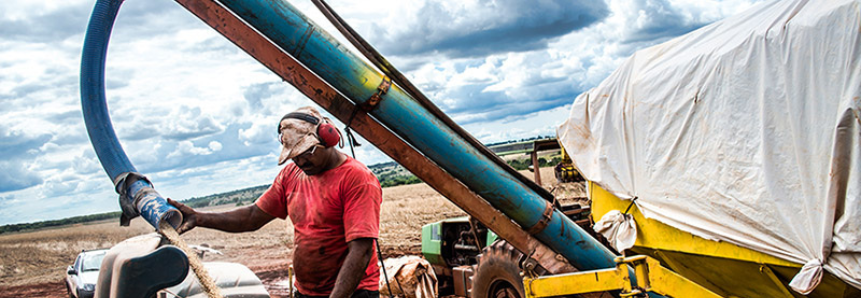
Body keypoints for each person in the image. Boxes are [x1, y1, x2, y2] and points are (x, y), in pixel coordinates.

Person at [168, 106, 383, 298]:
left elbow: (361, 251)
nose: (301, 161)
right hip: (307, 292)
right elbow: (252, 217)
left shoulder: (357, 179)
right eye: (295, 156)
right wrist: (198, 217)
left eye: (307, 153)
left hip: (352, 292)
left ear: (329, 139)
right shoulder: (290, 175)